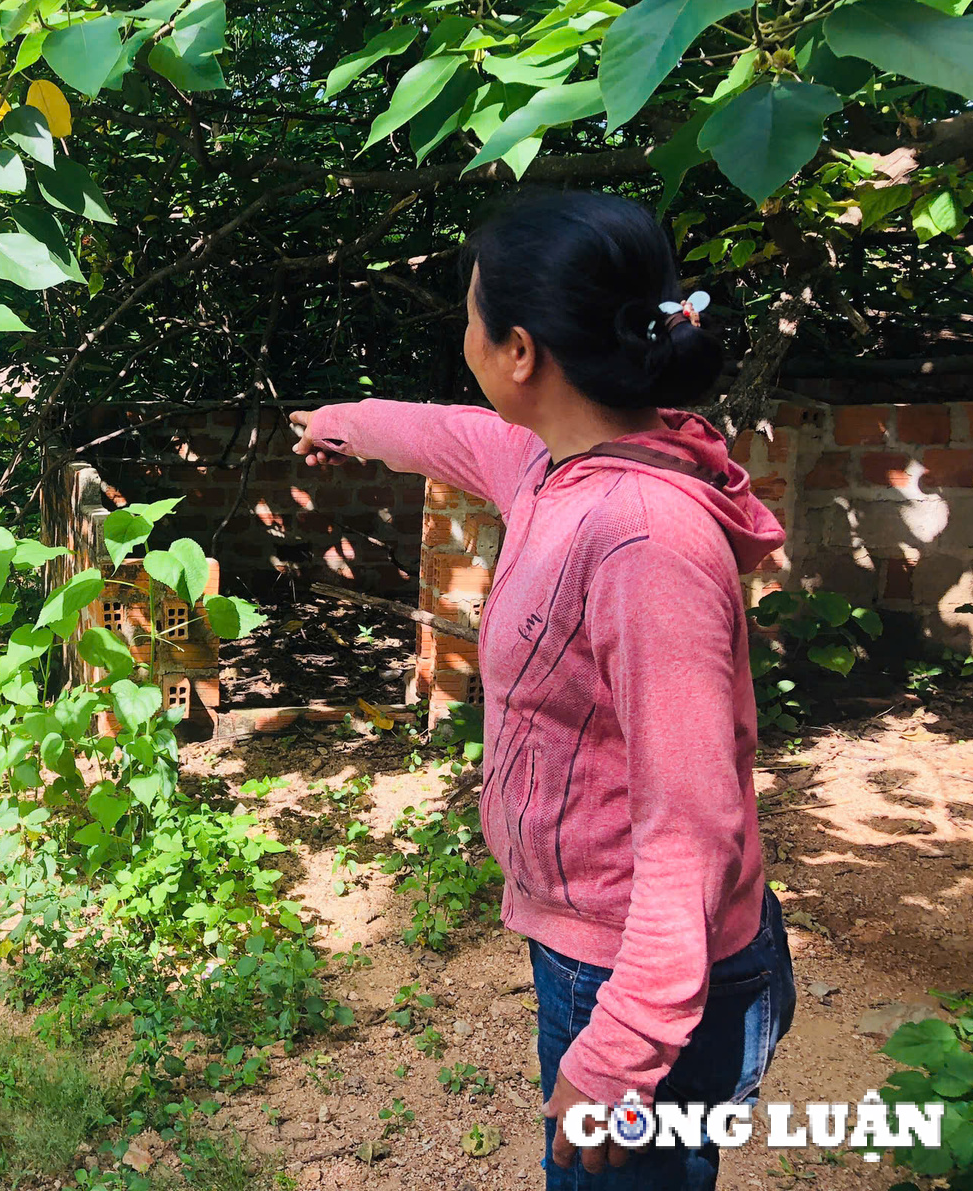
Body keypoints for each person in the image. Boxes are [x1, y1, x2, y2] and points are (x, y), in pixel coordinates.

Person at [291, 192, 797, 1190]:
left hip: (636, 978)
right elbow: (450, 438)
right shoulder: (556, 463)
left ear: (518, 351)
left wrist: (619, 1055)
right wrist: (341, 424)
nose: (464, 337)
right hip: (598, 949)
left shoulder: (645, 542)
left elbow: (693, 831)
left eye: (470, 315)